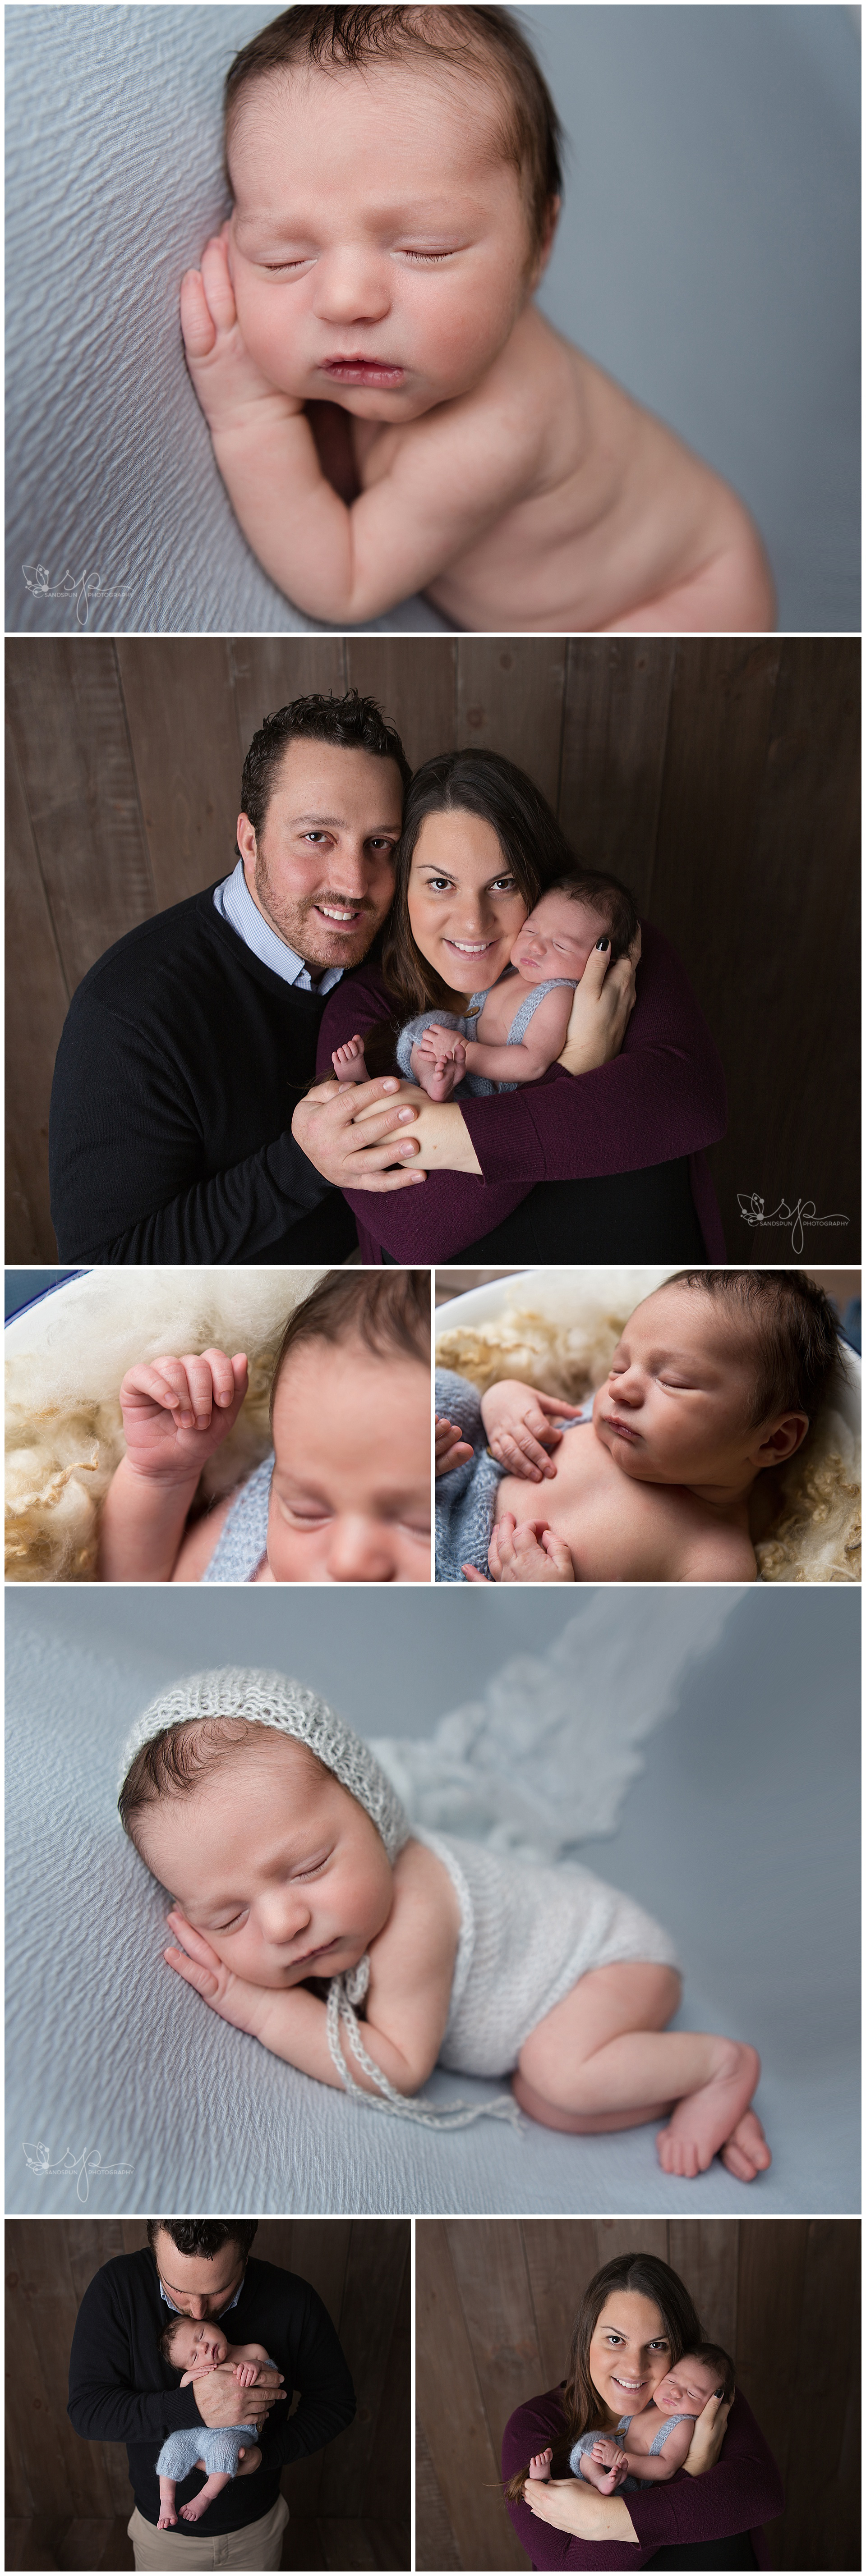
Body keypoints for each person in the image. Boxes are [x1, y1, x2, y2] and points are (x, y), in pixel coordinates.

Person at [180, 7, 773, 634]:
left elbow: (344, 582)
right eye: (283, 258)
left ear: (538, 244)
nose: (346, 299)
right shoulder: (417, 351)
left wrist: (251, 416)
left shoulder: (493, 433)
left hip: (687, 594)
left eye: (426, 250)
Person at [118, 1667, 771, 2182]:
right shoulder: (334, 1920)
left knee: (559, 2072)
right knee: (545, 2099)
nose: (284, 1922)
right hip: (566, 2003)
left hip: (609, 1958)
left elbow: (398, 2067)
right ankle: (678, 2084)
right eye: (229, 1916)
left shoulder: (414, 1912)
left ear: (373, 1808)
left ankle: (718, 2066)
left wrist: (262, 2008)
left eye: (309, 1866)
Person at [47, 692, 433, 1262]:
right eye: (317, 837)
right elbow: (105, 1265)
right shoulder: (129, 1013)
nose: (354, 883)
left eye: (380, 844)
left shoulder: (407, 938)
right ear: (251, 841)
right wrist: (299, 1166)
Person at [310, 748, 728, 1262]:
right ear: (402, 890)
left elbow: (693, 1106)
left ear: (538, 881)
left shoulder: (603, 953)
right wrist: (581, 1062)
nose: (473, 922)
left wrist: (440, 1131)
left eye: (503, 884)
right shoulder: (365, 1009)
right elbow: (416, 1230)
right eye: (441, 884)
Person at [435, 1270, 841, 1583]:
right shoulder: (602, 1421)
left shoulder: (715, 1561)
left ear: (774, 1440)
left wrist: (547, 1604)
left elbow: (638, 1654)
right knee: (452, 1395)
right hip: (447, 1493)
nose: (621, 1388)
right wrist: (504, 1403)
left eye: (674, 1381)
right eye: (620, 1366)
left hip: (463, 1584)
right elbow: (514, 1424)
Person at [98, 1269, 431, 1584]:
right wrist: (163, 1472)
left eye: (421, 1526)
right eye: (307, 1513)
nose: (349, 1562)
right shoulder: (254, 1530)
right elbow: (136, 1591)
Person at [67, 2218, 356, 2571]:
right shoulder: (118, 2287)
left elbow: (335, 2404)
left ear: (245, 2258)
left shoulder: (294, 2299)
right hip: (164, 2535)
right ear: (155, 2256)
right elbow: (88, 2411)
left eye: (218, 2290)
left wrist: (265, 2456)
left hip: (256, 2529)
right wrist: (190, 2406)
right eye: (177, 2289)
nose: (198, 2311)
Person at [502, 2251, 783, 2569]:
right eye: (615, 2340)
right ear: (586, 2340)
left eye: (657, 2345)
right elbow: (568, 2568)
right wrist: (694, 2469)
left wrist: (605, 2517)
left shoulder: (702, 2395)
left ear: (680, 2349)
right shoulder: (535, 2423)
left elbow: (764, 2495)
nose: (635, 2368)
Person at [332, 872, 636, 1099]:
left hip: (486, 1084)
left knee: (414, 1099)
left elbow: (532, 1063)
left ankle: (417, 1089)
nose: (536, 947)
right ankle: (408, 1084)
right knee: (429, 1029)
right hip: (458, 1055)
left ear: (601, 960)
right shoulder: (514, 970)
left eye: (561, 945)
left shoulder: (559, 995)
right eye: (531, 930)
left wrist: (466, 1051)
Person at [558, 2345, 736, 2495]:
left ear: (713, 2404)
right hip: (610, 2458)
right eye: (671, 2381)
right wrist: (604, 2444)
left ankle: (600, 2483)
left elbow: (666, 2468)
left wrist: (620, 2458)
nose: (675, 2392)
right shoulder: (650, 2404)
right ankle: (596, 2480)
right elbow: (621, 2431)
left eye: (692, 2393)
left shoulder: (683, 2425)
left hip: (629, 2476)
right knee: (591, 2442)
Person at [155, 2319, 277, 2528]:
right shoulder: (198, 2373)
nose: (203, 2347)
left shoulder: (253, 2351)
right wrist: (188, 2380)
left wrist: (257, 2366)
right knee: (174, 2443)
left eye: (201, 2335)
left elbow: (274, 2381)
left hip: (237, 2430)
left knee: (227, 2449)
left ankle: (205, 2497)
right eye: (195, 2357)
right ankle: (166, 2501)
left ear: (214, 2325)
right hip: (199, 2430)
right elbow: (183, 2397)